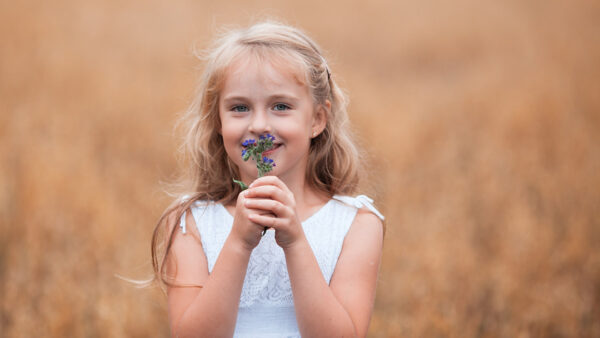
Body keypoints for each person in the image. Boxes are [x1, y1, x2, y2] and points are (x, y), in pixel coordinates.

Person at [151, 21, 385, 338]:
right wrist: (238, 243)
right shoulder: (190, 222)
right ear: (217, 120)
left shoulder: (355, 224)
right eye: (240, 107)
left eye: (280, 106)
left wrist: (296, 242)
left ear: (317, 118)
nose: (260, 124)